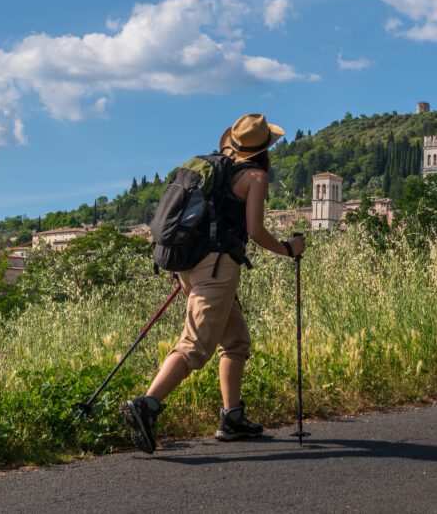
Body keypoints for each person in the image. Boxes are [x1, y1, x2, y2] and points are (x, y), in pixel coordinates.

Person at [120, 114, 306, 454]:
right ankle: (146, 406)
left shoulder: (212, 170)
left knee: (235, 341)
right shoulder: (255, 176)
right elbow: (255, 231)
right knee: (195, 344)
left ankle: (231, 418)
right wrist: (288, 250)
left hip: (189, 266)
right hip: (217, 269)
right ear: (264, 148)